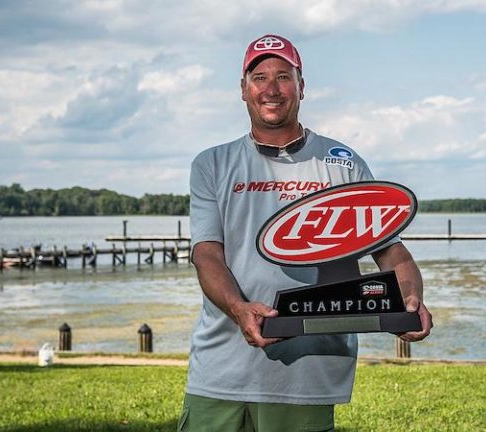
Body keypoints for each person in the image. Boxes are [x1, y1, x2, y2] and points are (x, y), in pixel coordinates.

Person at [179, 34, 432, 432]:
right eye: (259, 77)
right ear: (243, 90)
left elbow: (393, 255)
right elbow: (207, 253)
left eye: (284, 76)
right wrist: (239, 309)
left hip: (308, 371)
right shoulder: (212, 164)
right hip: (220, 369)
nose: (271, 88)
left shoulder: (343, 165)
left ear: (302, 86)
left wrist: (409, 299)